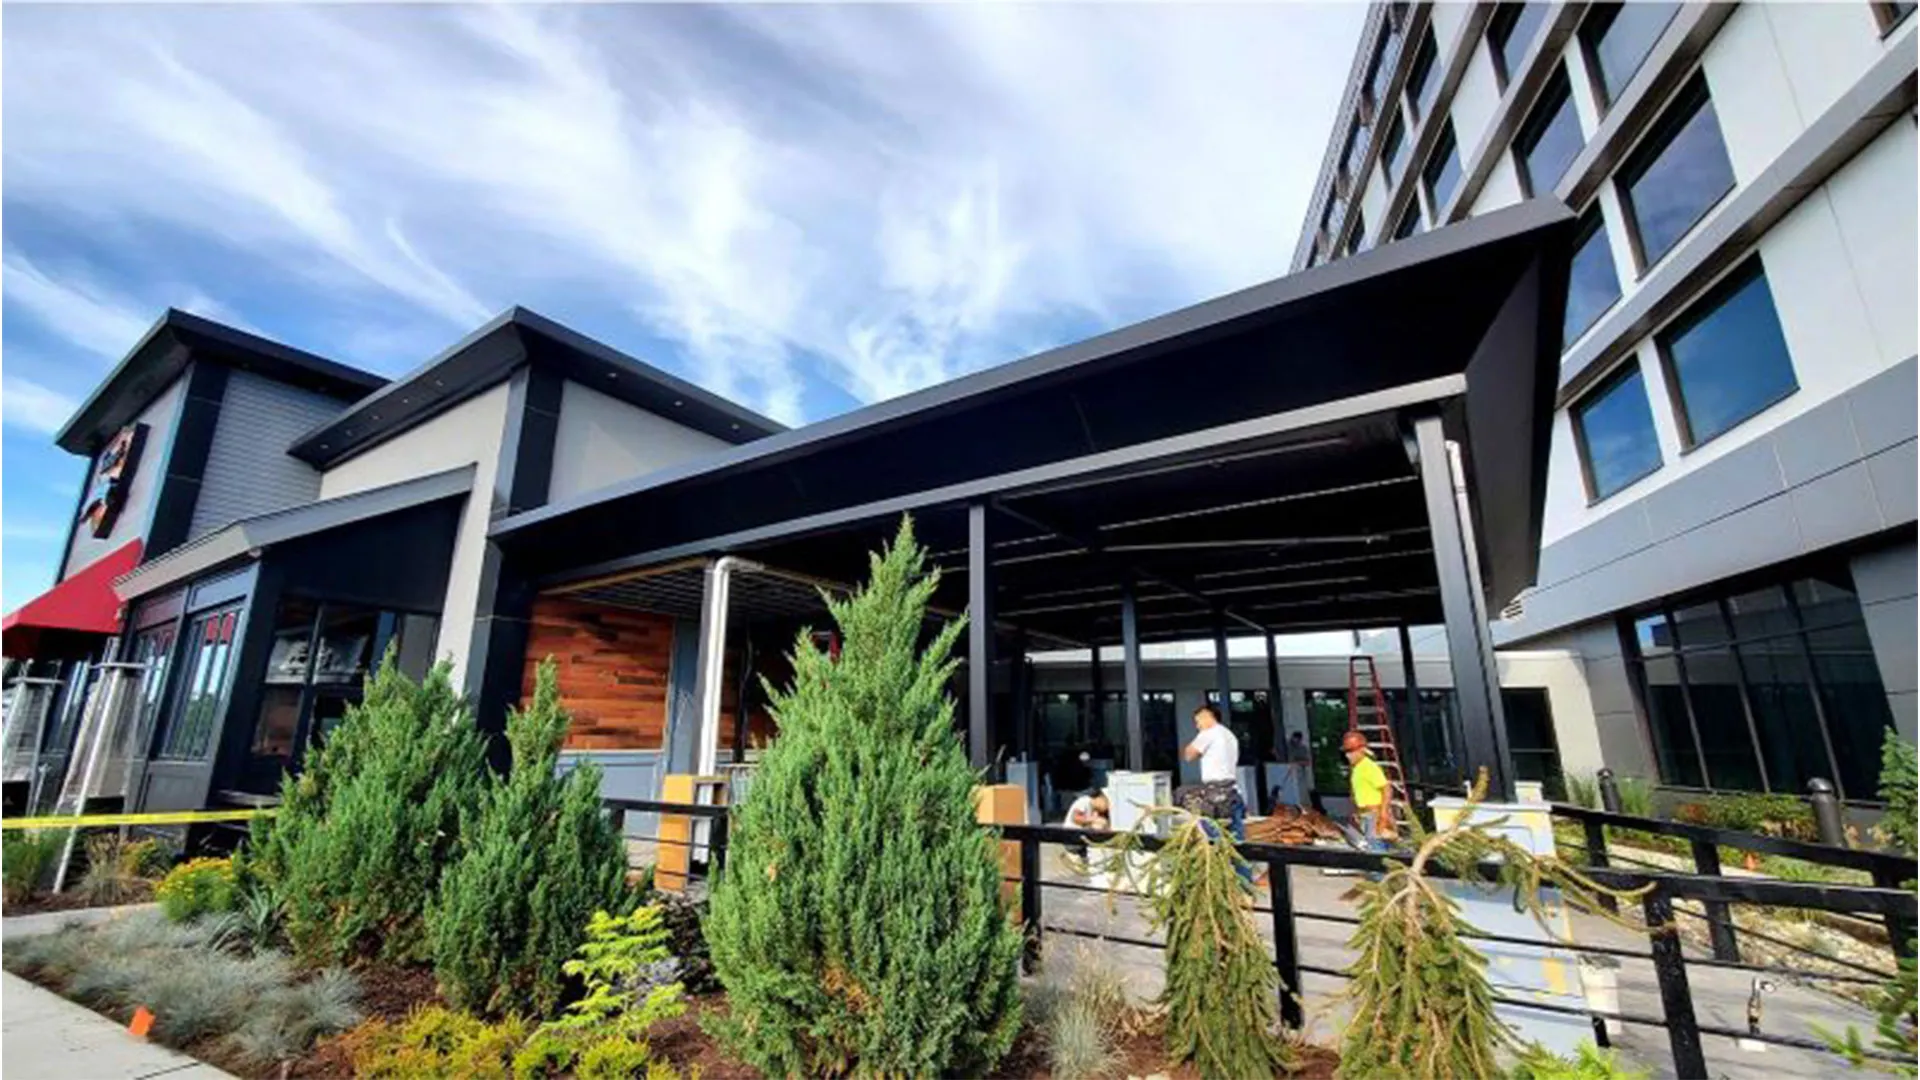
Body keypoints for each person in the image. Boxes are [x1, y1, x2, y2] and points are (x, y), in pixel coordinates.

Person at [1342, 729, 1394, 851]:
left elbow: (1386, 788)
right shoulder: (1357, 768)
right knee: (1367, 846)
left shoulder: (1368, 766)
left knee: (1376, 848)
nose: (1348, 755)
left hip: (1373, 814)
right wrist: (1356, 812)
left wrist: (1383, 813)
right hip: (1365, 814)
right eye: (1346, 751)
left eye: (1351, 751)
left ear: (1361, 750)